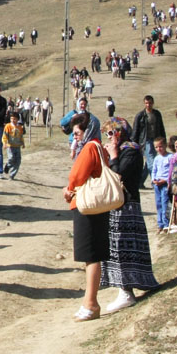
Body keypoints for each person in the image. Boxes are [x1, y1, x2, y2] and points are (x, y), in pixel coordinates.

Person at [99, 118, 159, 311]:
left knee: (123, 247)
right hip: (119, 204)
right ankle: (125, 289)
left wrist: (114, 156)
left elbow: (119, 176)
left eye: (111, 133)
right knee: (119, 248)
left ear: (119, 132)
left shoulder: (131, 151)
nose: (109, 137)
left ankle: (126, 291)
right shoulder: (125, 150)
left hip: (127, 205)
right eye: (107, 134)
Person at [63, 114, 110, 321]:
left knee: (91, 256)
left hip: (86, 205)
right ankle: (90, 302)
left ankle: (91, 303)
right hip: (95, 206)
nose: (76, 138)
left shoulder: (90, 147)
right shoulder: (98, 146)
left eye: (77, 133)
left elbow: (77, 176)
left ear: (87, 130)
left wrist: (68, 189)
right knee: (93, 255)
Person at [132, 96, 167, 187]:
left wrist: (163, 140)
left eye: (150, 103)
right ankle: (154, 182)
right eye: (146, 103)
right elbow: (136, 129)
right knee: (152, 161)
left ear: (153, 103)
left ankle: (140, 182)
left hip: (156, 140)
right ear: (144, 103)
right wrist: (134, 142)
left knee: (149, 162)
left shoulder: (157, 114)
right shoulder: (140, 115)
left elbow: (161, 127)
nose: (148, 105)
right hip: (145, 141)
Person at [149, 137, 172, 232]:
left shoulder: (170, 157)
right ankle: (160, 224)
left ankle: (166, 223)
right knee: (158, 204)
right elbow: (154, 170)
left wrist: (166, 180)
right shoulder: (157, 158)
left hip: (165, 184)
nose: (159, 149)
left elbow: (171, 171)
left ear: (165, 146)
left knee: (165, 203)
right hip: (157, 184)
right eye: (156, 147)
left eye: (161, 146)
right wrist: (153, 179)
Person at [2, 112, 24, 180]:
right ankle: (8, 166)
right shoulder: (8, 126)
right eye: (11, 118)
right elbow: (5, 135)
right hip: (10, 146)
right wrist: (5, 143)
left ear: (17, 119)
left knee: (18, 161)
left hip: (17, 146)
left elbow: (21, 136)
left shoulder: (20, 127)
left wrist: (23, 143)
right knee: (11, 158)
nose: (13, 120)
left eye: (14, 119)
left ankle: (12, 175)